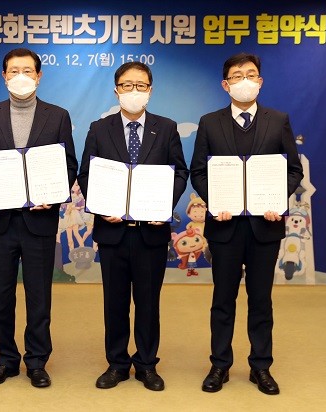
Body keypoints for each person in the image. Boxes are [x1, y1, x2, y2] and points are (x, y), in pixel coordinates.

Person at [190, 53, 304, 395]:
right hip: (225, 227)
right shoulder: (210, 122)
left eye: (251, 74)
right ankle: (219, 365)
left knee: (261, 300)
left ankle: (261, 366)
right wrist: (216, 201)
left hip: (264, 227)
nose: (245, 81)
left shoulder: (278, 120)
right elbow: (198, 172)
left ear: (260, 81)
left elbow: (293, 170)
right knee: (223, 299)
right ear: (225, 85)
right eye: (237, 76)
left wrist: (276, 200)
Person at [0, 48, 77, 388]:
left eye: (27, 70)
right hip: (0, 220)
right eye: (14, 70)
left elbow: (68, 164)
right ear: (4, 76)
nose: (20, 76)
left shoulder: (57, 116)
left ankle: (37, 360)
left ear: (39, 76)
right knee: (1, 295)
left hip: (39, 221)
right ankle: (5, 358)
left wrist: (54, 194)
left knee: (39, 295)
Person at [77, 62, 188, 391]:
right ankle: (117, 363)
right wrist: (101, 205)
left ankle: (147, 364)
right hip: (112, 232)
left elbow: (179, 172)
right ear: (116, 90)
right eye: (127, 85)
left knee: (148, 302)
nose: (134, 91)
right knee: (114, 302)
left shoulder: (166, 128)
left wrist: (163, 205)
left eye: (141, 85)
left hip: (150, 232)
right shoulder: (100, 129)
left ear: (150, 90)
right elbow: (86, 174)